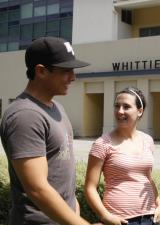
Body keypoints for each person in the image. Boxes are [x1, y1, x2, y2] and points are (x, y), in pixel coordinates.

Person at [0, 37, 99, 224]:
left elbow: (60, 174)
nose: (73, 77)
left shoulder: (56, 108)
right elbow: (37, 189)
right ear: (41, 71)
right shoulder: (25, 115)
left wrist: (73, 209)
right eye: (66, 71)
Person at [85, 87, 160, 225]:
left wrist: (159, 204)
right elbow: (90, 187)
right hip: (120, 220)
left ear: (140, 111)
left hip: (150, 218)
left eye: (126, 107)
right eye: (117, 106)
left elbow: (147, 178)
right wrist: (105, 216)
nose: (120, 111)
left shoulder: (148, 141)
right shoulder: (102, 144)